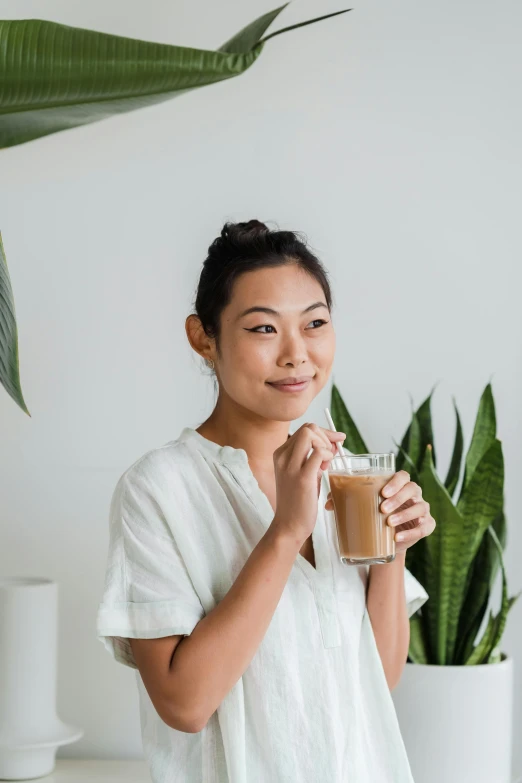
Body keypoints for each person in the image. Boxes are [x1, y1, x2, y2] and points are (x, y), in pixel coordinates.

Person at [96, 220, 433, 782]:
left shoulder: (345, 478)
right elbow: (184, 704)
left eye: (316, 324)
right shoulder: (158, 489)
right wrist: (284, 532)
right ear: (204, 338)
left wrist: (392, 553)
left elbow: (376, 681)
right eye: (263, 330)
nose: (297, 355)